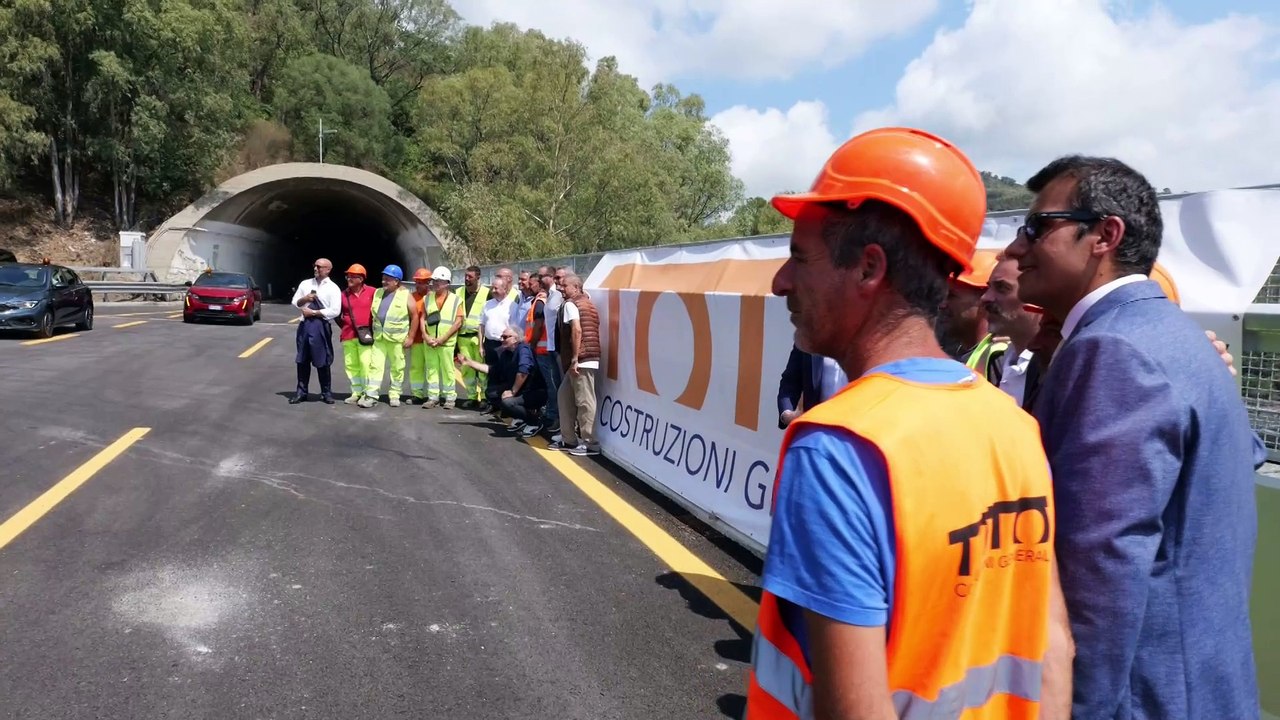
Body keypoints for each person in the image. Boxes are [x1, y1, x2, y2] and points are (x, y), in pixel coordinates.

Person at [745, 127, 1073, 720]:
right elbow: (1053, 650)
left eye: (799, 257)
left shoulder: (841, 448)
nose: (780, 282)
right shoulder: (1013, 426)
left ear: (869, 267)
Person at [1004, 155, 1266, 719]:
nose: (1015, 249)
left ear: (1104, 234)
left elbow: (1100, 569)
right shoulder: (1179, 336)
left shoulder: (1111, 350)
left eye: (1036, 228)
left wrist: (1077, 709)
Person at [547, 274, 601, 456]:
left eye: (564, 286)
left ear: (576, 287)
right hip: (584, 358)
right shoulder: (586, 302)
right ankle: (569, 439)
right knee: (564, 397)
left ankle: (590, 443)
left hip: (581, 360)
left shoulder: (571, 304)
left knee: (585, 401)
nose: (561, 289)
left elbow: (577, 330)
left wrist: (575, 358)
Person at [457, 324, 547, 432]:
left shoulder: (523, 349)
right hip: (522, 391)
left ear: (515, 339)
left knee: (508, 403)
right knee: (491, 393)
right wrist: (469, 362)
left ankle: (534, 422)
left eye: (505, 337)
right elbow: (492, 370)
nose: (502, 340)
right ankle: (521, 417)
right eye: (502, 337)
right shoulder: (506, 354)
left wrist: (513, 392)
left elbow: (524, 371)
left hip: (535, 392)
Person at [360, 265, 417, 408]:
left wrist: (410, 337)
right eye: (383, 279)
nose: (384, 282)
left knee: (397, 368)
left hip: (397, 340)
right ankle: (371, 395)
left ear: (396, 281)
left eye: (387, 279)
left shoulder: (406, 295)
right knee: (375, 367)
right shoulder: (378, 293)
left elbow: (415, 316)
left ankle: (394, 395)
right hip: (379, 338)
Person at [290, 257, 342, 404]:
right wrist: (305, 298)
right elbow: (295, 302)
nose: (316, 269)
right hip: (304, 326)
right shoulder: (305, 284)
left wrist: (314, 313)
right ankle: (301, 392)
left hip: (321, 325)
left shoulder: (333, 288)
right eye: (315, 266)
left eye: (319, 267)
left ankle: (326, 392)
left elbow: (335, 310)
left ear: (328, 269)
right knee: (302, 360)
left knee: (323, 360)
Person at [422, 266, 464, 410]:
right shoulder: (427, 298)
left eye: (438, 281)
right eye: (434, 281)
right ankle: (433, 397)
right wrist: (425, 336)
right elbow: (422, 318)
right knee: (431, 369)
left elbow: (458, 322)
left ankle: (449, 397)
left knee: (448, 370)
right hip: (430, 342)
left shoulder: (456, 300)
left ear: (446, 283)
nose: (434, 284)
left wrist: (443, 338)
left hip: (446, 343)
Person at [337, 263, 376, 405]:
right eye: (348, 276)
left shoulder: (372, 292)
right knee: (351, 365)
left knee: (366, 364)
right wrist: (346, 326)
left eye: (353, 276)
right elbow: (337, 314)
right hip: (348, 335)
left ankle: (367, 392)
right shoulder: (343, 295)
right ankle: (356, 392)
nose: (349, 278)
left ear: (361, 278)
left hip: (365, 336)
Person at [454, 265, 491, 409]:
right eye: (465, 276)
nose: (466, 279)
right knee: (466, 369)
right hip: (463, 337)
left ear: (478, 277)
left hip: (478, 338)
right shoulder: (458, 292)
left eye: (470, 277)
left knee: (481, 369)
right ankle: (471, 396)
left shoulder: (487, 293)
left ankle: (484, 397)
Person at [536, 265, 564, 434]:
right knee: (554, 385)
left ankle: (561, 421)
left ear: (551, 277)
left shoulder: (560, 295)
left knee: (558, 387)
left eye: (541, 276)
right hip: (551, 348)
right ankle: (556, 418)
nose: (539, 280)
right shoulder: (550, 296)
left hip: (559, 349)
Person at [406, 268, 433, 404]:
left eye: (421, 282)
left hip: (431, 340)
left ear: (429, 282)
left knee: (432, 368)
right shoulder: (411, 297)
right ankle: (417, 394)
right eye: (416, 282)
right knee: (416, 367)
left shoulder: (434, 297)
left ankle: (433, 395)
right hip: (417, 340)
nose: (418, 285)